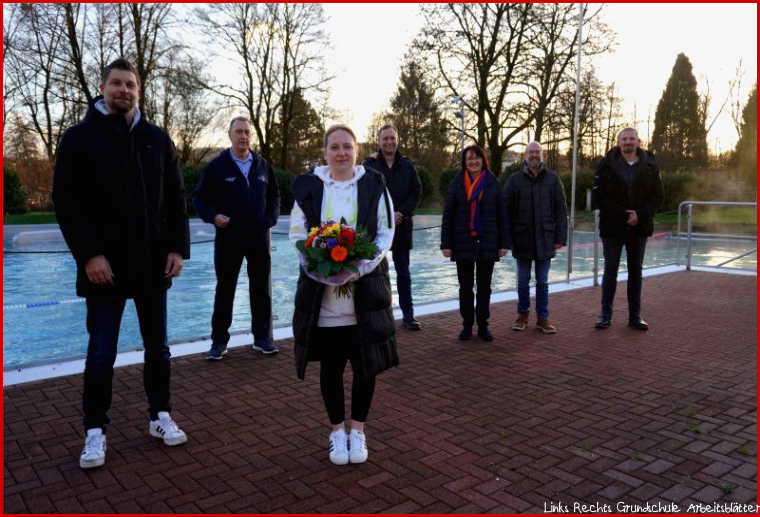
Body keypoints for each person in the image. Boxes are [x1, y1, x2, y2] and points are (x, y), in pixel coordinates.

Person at [52, 58, 190, 469]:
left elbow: (176, 199)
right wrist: (90, 255)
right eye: (116, 83)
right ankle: (95, 430)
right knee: (100, 354)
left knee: (159, 350)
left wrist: (177, 248)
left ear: (139, 90)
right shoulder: (79, 138)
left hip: (151, 266)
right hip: (103, 269)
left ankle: (159, 415)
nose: (123, 90)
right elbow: (67, 202)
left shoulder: (157, 139)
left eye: (130, 84)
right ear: (102, 86)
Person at [290, 124, 397, 465]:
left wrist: (359, 267)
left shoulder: (374, 184)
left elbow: (385, 233)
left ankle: (359, 432)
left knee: (365, 368)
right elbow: (296, 233)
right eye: (334, 147)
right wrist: (316, 265)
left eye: (347, 147)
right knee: (331, 369)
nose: (341, 153)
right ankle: (337, 431)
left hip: (364, 297)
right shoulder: (308, 187)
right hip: (323, 300)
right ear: (325, 153)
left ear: (356, 149)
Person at [192, 117, 281, 359]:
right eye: (238, 132)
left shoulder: (262, 165)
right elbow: (198, 198)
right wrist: (213, 216)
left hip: (258, 238)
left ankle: (262, 338)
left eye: (246, 133)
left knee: (260, 289)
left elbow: (274, 196)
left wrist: (270, 219)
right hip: (229, 239)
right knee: (225, 289)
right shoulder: (217, 166)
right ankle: (219, 341)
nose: (243, 136)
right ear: (230, 135)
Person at [593, 127, 664, 330]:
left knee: (635, 272)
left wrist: (639, 215)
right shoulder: (605, 165)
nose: (628, 142)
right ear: (618, 143)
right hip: (612, 227)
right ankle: (605, 315)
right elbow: (600, 197)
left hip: (638, 227)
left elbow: (658, 197)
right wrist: (624, 215)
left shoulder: (650, 165)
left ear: (638, 141)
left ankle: (635, 316)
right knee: (610, 271)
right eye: (624, 139)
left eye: (631, 138)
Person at [441, 144, 508, 342]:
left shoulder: (493, 183)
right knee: (465, 287)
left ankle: (484, 325)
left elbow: (502, 215)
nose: (473, 161)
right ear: (464, 162)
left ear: (483, 160)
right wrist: (446, 244)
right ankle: (467, 325)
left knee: (485, 288)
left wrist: (503, 243)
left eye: (477, 157)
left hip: (487, 241)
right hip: (463, 242)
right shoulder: (457, 184)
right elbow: (448, 216)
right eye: (469, 158)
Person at [503, 142, 568, 334]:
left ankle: (543, 318)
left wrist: (560, 237)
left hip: (546, 239)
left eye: (537, 152)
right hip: (522, 239)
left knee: (543, 281)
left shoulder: (553, 180)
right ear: (525, 156)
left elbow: (560, 211)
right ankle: (522, 315)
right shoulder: (514, 181)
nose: (534, 155)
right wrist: (507, 239)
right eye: (530, 152)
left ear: (543, 155)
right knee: (523, 280)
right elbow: (506, 213)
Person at [363, 124, 423, 330]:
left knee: (404, 273)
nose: (389, 142)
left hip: (402, 227)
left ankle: (408, 315)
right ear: (379, 141)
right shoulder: (369, 166)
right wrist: (387, 216)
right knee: (377, 275)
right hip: (378, 229)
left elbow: (416, 192)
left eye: (392, 138)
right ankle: (381, 318)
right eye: (385, 139)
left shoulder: (408, 166)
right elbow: (366, 195)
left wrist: (401, 213)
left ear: (397, 140)